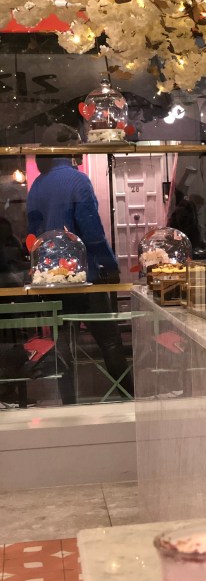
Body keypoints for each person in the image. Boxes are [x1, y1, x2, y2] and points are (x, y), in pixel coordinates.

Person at [27, 123, 134, 404]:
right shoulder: (78, 180)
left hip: (50, 279)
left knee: (64, 344)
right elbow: (92, 232)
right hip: (84, 276)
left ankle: (69, 404)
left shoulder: (37, 185)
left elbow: (33, 232)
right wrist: (109, 265)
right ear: (69, 148)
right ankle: (129, 398)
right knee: (109, 340)